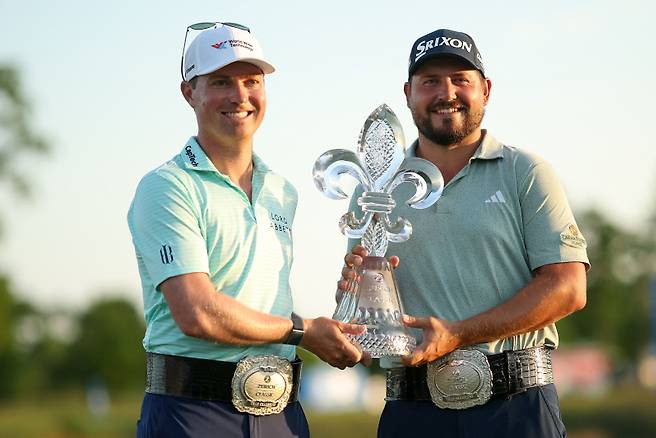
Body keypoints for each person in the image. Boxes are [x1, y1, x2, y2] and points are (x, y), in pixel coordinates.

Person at [340, 28, 589, 437]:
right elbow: (364, 306)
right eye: (430, 82)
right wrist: (352, 308)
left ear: (485, 89)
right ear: (408, 92)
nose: (447, 92)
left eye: (461, 79)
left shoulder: (525, 172)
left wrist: (458, 334)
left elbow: (568, 288)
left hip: (516, 405)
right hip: (412, 409)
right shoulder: (374, 190)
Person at [128, 22, 366, 438]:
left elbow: (263, 303)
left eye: (252, 81)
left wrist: (357, 297)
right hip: (192, 412)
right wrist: (304, 332)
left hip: (282, 415)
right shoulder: (167, 186)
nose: (240, 96)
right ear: (190, 92)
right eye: (221, 82)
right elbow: (197, 313)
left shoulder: (281, 190)